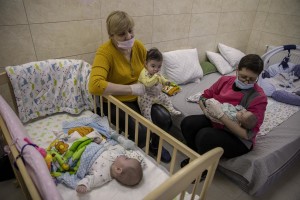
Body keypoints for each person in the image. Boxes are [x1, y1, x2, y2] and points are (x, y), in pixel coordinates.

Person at [88, 11, 172, 163]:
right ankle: (133, 156)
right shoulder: (105, 52)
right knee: (140, 131)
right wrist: (131, 89)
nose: (128, 36)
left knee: (164, 118)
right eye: (121, 34)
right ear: (111, 35)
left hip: (141, 97)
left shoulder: (138, 46)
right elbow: (95, 85)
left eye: (130, 30)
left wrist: (156, 83)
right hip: (115, 101)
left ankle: (154, 145)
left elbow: (149, 69)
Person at [181, 54, 267, 168]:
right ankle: (196, 156)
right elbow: (203, 97)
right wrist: (206, 112)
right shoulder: (225, 81)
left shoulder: (258, 97)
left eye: (251, 79)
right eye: (243, 77)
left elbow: (247, 135)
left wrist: (221, 116)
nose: (246, 82)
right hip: (217, 122)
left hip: (238, 139)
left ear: (258, 76)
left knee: (204, 136)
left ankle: (203, 168)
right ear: (237, 71)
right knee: (188, 123)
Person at [76, 144, 143, 193]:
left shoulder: (103, 176)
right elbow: (110, 148)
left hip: (83, 157)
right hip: (93, 147)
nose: (125, 155)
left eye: (126, 158)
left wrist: (83, 185)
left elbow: (91, 180)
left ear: (118, 169)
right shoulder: (116, 157)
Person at [138, 47, 181, 121]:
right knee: (146, 111)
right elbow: (147, 84)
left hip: (156, 95)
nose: (156, 69)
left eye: (159, 66)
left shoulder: (156, 73)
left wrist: (166, 82)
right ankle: (148, 124)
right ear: (146, 64)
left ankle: (171, 110)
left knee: (166, 98)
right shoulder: (144, 72)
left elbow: (161, 78)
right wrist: (155, 77)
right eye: (153, 66)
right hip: (145, 97)